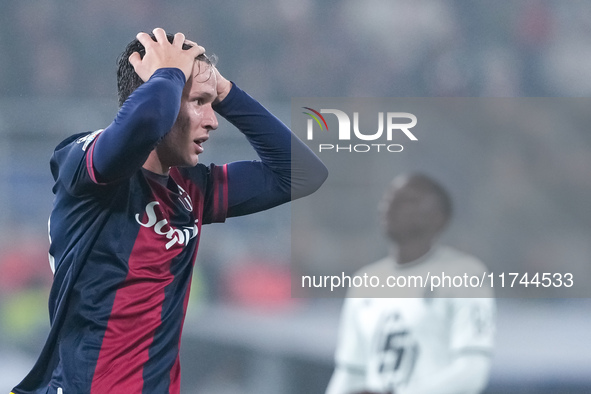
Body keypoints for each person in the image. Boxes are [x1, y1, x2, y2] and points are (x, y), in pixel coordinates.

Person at [11, 28, 327, 394]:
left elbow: (302, 173)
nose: (212, 120)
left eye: (213, 104)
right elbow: (146, 121)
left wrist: (227, 92)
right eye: (199, 102)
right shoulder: (84, 167)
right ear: (155, 93)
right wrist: (168, 75)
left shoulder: (193, 188)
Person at [326, 174, 495, 394]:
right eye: (387, 199)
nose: (389, 207)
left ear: (440, 218)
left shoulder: (464, 274)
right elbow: (350, 372)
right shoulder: (364, 281)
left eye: (408, 201)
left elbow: (472, 371)